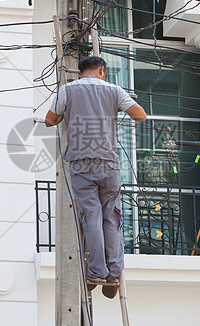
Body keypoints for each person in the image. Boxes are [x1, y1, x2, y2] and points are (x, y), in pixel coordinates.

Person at [45, 56, 147, 298]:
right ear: (102, 70)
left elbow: (50, 121)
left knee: (91, 217)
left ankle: (96, 271)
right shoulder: (114, 90)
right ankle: (114, 274)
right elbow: (140, 115)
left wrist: (66, 115)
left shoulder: (67, 89)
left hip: (81, 163)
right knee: (111, 218)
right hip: (109, 163)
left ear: (81, 72)